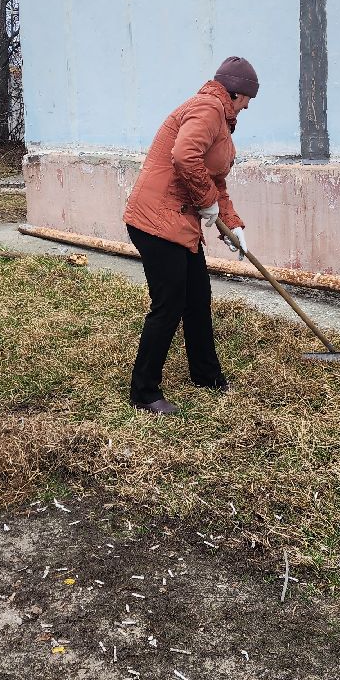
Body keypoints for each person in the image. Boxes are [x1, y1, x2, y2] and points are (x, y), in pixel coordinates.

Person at [122, 56, 259, 415]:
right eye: (248, 98)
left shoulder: (220, 119)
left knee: (197, 298)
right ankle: (144, 392)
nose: (248, 106)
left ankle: (206, 375)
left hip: (179, 221)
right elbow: (184, 157)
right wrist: (206, 201)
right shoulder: (208, 108)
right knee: (168, 304)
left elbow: (214, 180)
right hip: (155, 220)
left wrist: (232, 223)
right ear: (236, 92)